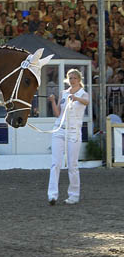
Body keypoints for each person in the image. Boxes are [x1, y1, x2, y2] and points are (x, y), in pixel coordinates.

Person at [47, 69, 89, 205]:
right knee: (56, 163)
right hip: (59, 129)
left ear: (79, 79)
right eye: (70, 78)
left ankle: (74, 195)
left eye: (74, 78)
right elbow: (57, 113)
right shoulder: (63, 93)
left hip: (73, 131)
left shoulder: (84, 94)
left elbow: (86, 102)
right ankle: (52, 195)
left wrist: (75, 98)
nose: (72, 80)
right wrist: (53, 101)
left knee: (72, 165)